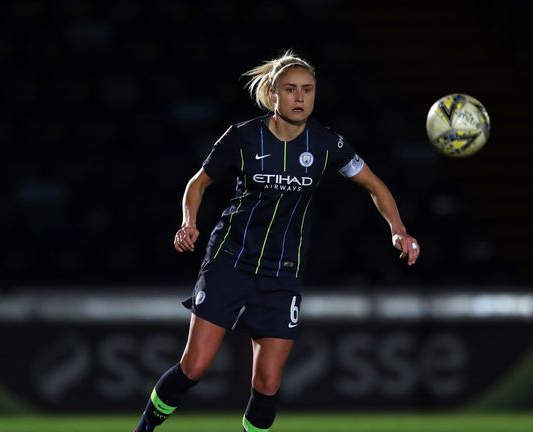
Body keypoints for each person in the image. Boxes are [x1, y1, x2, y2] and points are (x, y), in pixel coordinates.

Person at [133, 50, 420, 432]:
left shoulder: (327, 144)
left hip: (281, 273)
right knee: (195, 366)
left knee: (267, 382)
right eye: (290, 89)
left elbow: (375, 185)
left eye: (307, 90)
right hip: (229, 260)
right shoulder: (242, 137)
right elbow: (197, 183)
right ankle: (144, 429)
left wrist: (397, 229)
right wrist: (188, 222)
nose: (300, 98)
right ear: (273, 94)